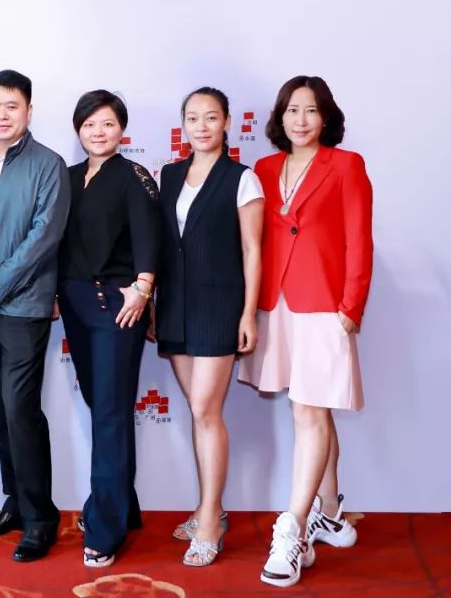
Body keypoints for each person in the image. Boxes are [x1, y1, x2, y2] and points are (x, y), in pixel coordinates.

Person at [238, 75, 373, 588]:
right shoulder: (264, 169)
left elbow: (360, 239)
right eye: (292, 110)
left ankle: (292, 527)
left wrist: (351, 307)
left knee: (309, 412)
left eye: (311, 110)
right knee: (312, 407)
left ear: (326, 117)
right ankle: (331, 512)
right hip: (277, 305)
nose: (301, 120)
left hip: (324, 306)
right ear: (280, 117)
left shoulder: (346, 165)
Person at [0, 70, 69, 562]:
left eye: (11, 106)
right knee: (0, 412)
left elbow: (44, 236)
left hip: (22, 307)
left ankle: (41, 517)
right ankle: (16, 503)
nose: (1, 115)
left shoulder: (49, 165)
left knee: (21, 410)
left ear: (28, 111)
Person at [154, 87, 264, 567]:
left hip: (220, 305)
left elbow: (253, 251)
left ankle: (208, 523)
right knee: (198, 412)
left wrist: (248, 313)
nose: (201, 126)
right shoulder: (168, 175)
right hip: (175, 304)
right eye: (193, 118)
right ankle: (210, 509)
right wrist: (153, 303)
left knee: (205, 410)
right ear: (183, 124)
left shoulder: (242, 178)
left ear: (227, 124)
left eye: (211, 117)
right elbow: (162, 244)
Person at [58, 89, 161, 569]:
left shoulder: (133, 175)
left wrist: (143, 290)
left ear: (122, 129)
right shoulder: (69, 177)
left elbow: (149, 237)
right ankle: (124, 506)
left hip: (118, 306)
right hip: (75, 305)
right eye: (89, 124)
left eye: (107, 123)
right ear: (78, 130)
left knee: (111, 414)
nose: (98, 132)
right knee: (103, 406)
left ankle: (105, 528)